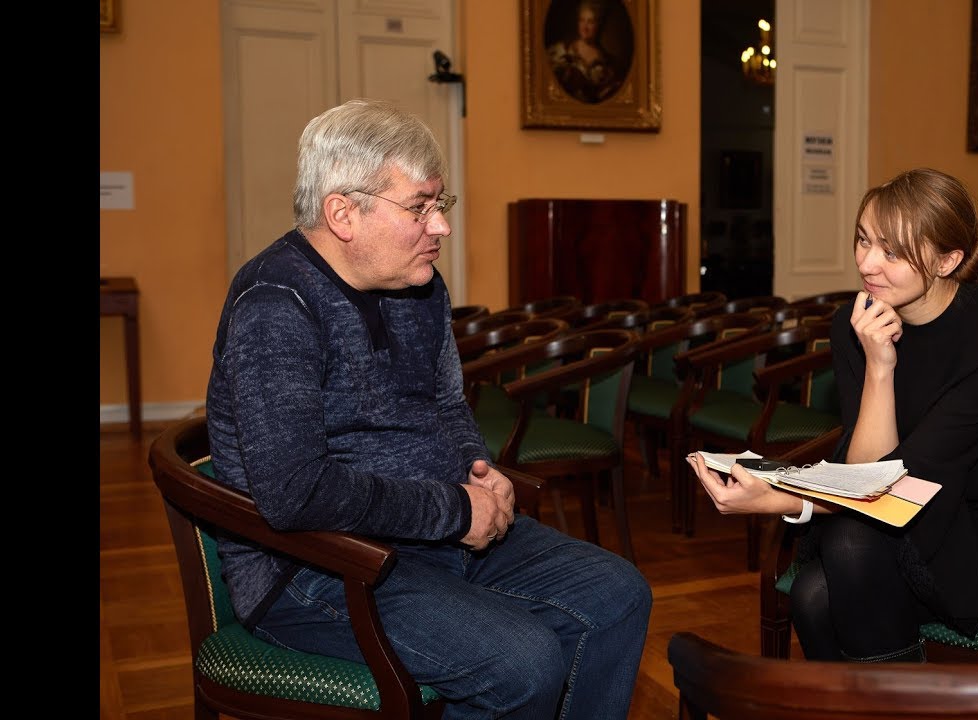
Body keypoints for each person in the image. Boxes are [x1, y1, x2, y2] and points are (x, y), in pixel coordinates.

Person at [204, 98, 652, 719]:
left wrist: (478, 470)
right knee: (523, 662)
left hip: (431, 535)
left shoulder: (416, 283)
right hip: (314, 567)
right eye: (419, 207)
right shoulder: (275, 306)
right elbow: (294, 494)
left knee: (619, 594)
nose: (440, 227)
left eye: (441, 204)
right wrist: (451, 511)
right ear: (342, 213)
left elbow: (444, 403)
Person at [687, 167, 978, 663]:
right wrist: (879, 363)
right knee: (814, 594)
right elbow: (870, 470)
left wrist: (780, 498)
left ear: (947, 260)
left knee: (845, 554)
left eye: (892, 252)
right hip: (899, 512)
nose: (868, 264)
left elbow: (914, 473)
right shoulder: (855, 324)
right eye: (863, 240)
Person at [546, 0, 628, 104]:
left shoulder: (608, 64)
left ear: (599, 25)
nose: (585, 27)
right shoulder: (561, 50)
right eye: (582, 20)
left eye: (590, 22)